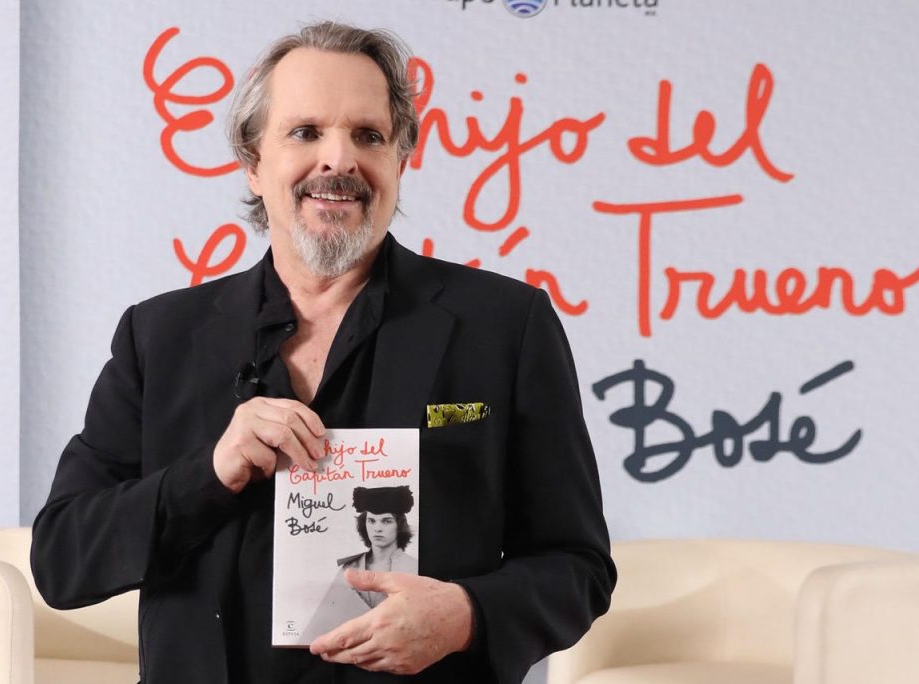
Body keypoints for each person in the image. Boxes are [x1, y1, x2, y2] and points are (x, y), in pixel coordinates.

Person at [31, 20, 616, 684]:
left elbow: (578, 568)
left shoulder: (506, 325)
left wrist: (464, 615)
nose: (338, 160)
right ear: (253, 164)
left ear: (400, 160)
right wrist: (208, 474)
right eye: (305, 132)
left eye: (368, 136)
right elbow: (62, 559)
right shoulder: (158, 336)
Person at [301, 486, 419, 642]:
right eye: (371, 521)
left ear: (399, 525)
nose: (377, 528)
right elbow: (322, 626)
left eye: (386, 521)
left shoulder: (414, 568)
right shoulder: (349, 568)